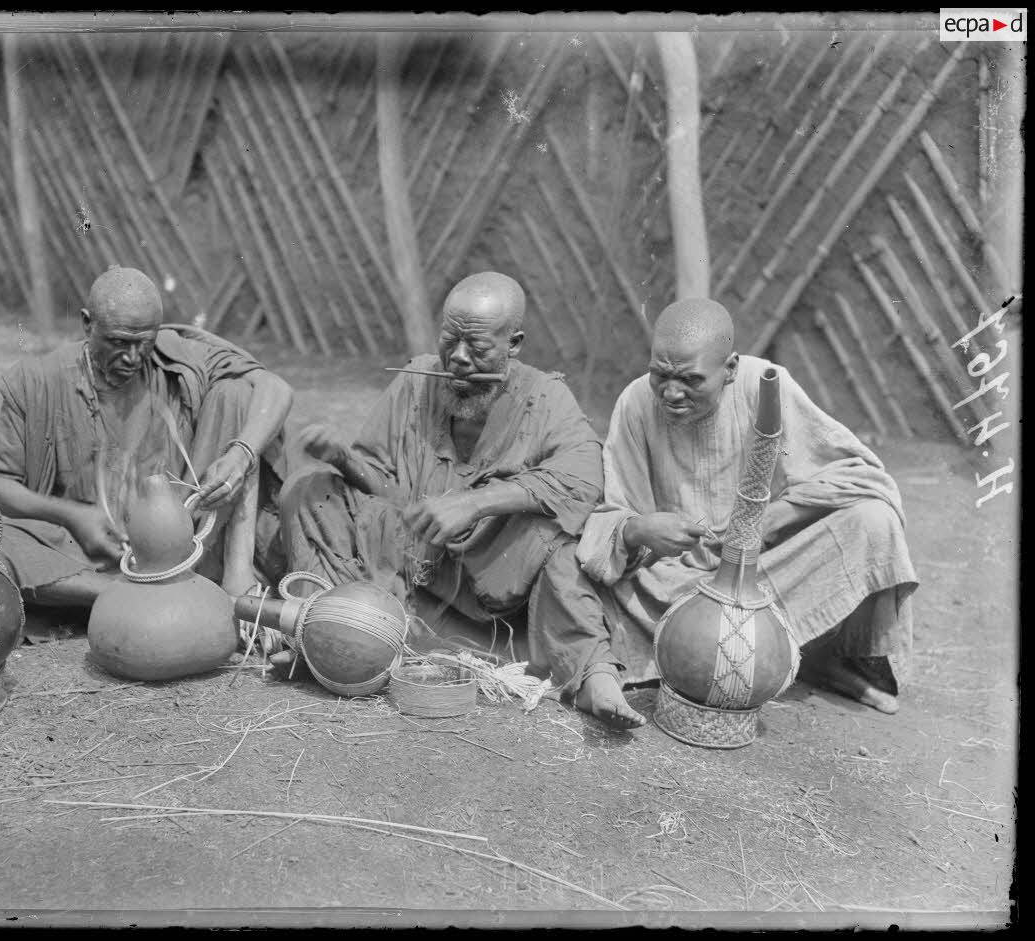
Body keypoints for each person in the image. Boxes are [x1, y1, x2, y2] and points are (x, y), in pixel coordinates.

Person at [280, 271, 645, 729]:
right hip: (408, 563)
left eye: (477, 347)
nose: (457, 358)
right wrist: (343, 458)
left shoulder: (546, 398)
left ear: (514, 343)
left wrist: (476, 503)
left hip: (491, 582)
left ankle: (592, 675)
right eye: (449, 340)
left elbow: (583, 480)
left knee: (564, 543)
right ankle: (328, 631)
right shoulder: (415, 382)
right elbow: (387, 490)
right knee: (310, 488)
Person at [576, 297, 917, 713]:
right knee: (589, 581)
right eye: (659, 374)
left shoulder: (766, 384)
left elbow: (859, 473)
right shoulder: (635, 403)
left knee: (873, 520)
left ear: (731, 369)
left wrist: (769, 520)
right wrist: (642, 529)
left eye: (690, 379)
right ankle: (772, 651)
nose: (671, 392)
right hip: (677, 584)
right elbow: (615, 515)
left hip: (761, 567)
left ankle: (824, 652)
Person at [0, 265, 293, 623]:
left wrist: (240, 453)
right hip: (91, 554)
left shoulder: (175, 355)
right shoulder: (40, 382)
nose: (134, 357)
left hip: (187, 549)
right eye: (119, 342)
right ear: (87, 324)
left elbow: (274, 388)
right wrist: (71, 516)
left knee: (236, 392)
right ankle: (130, 595)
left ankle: (181, 586)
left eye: (144, 342)